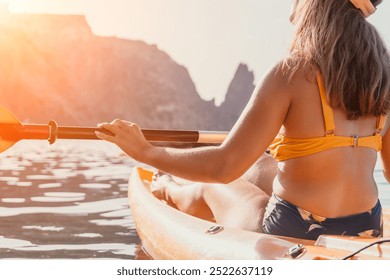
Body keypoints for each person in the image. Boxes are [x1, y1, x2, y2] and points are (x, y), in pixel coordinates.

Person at [96, 0, 390, 240]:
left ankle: (169, 189)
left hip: (295, 228)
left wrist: (148, 152)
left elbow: (224, 167)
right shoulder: (385, 79)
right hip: (365, 224)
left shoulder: (290, 73)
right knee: (262, 164)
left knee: (215, 185)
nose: (291, 12)